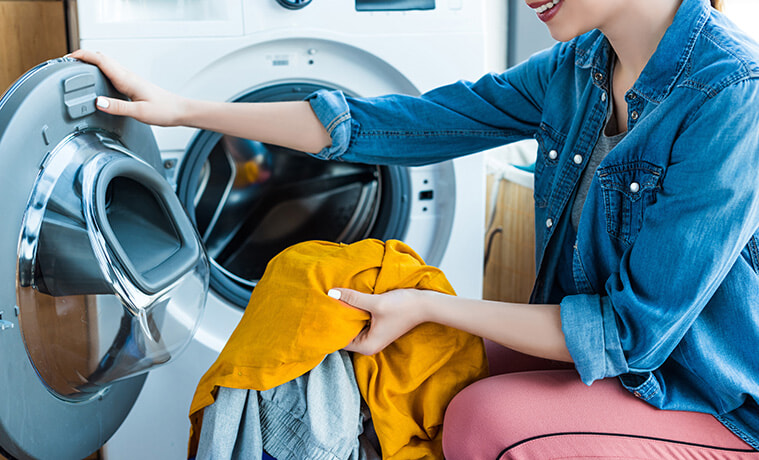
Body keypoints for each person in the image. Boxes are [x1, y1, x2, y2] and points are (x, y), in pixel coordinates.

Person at [72, 0, 759, 457]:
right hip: (603, 357)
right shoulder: (577, 68)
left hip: (705, 389)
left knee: (481, 416)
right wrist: (181, 110)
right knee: (367, 340)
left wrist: (430, 303)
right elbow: (387, 124)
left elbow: (628, 336)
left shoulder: (731, 93)